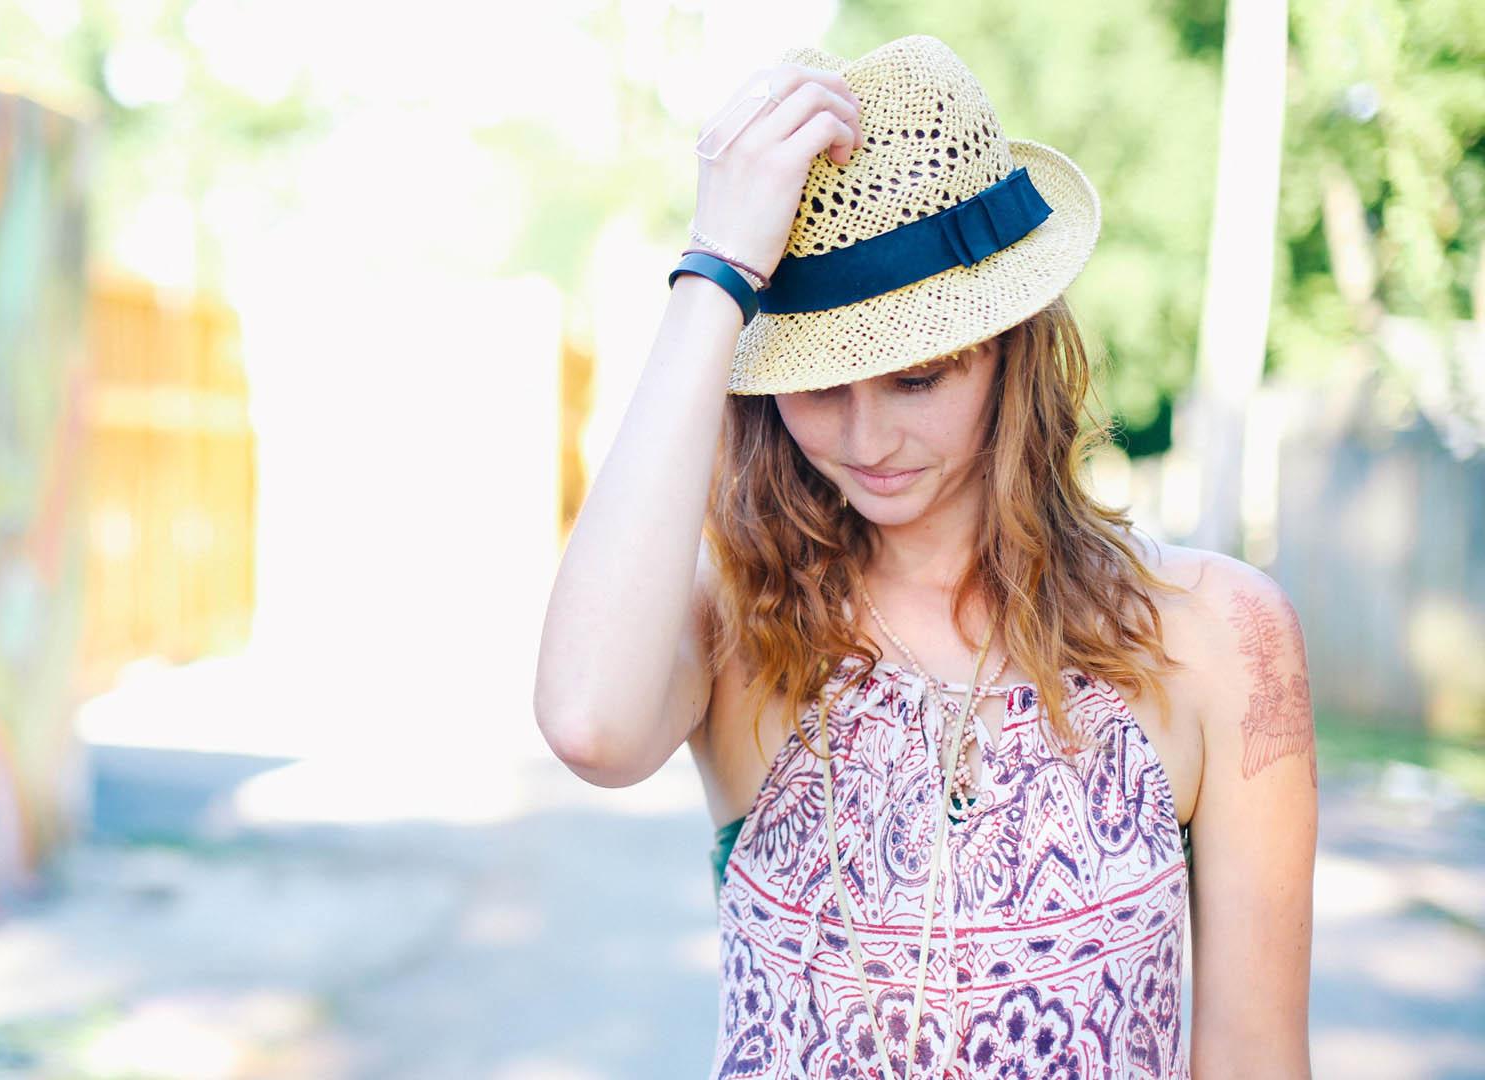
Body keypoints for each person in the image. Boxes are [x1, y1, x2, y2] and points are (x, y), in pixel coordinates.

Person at [533, 35, 1316, 1080]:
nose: (866, 441)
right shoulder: (742, 621)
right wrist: (714, 270)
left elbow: (1258, 1056)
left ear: (1012, 352)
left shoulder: (1221, 634)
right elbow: (588, 723)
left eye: (918, 377)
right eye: (818, 384)